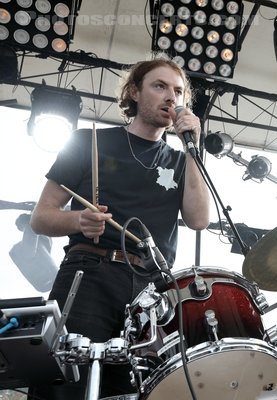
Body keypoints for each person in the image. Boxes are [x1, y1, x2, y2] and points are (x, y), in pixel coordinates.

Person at [28, 54, 210, 399]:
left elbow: (198, 219)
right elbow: (41, 217)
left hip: (151, 289)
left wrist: (194, 150)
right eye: (159, 86)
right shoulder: (88, 142)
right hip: (90, 273)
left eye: (178, 91)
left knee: (130, 389)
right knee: (67, 384)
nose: (171, 97)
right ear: (134, 93)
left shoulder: (181, 160)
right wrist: (77, 220)